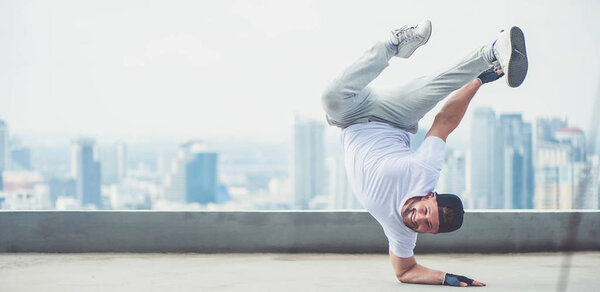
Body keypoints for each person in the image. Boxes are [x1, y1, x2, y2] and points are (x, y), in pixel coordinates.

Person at [321, 20, 528, 287]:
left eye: (425, 226)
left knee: (331, 98)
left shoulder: (402, 233)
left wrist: (449, 279)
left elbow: (405, 272)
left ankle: (395, 46)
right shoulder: (425, 172)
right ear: (429, 196)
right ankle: (488, 51)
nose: (417, 219)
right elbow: (444, 120)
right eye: (425, 212)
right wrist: (479, 81)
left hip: (350, 117)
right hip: (394, 116)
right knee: (434, 87)